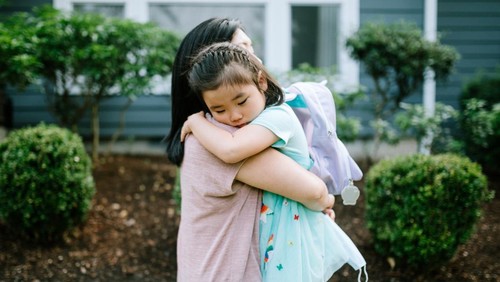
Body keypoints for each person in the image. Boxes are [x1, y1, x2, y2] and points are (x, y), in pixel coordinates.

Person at [165, 18, 335, 281]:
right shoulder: (219, 139)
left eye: (250, 49)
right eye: (241, 50)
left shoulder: (212, 130)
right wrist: (325, 202)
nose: (254, 59)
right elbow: (314, 191)